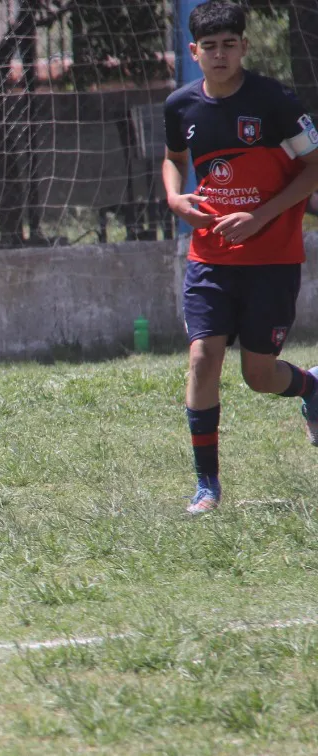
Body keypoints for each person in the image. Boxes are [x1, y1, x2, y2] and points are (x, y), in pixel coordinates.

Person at [163, 1, 318, 514]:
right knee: (203, 358)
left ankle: (310, 386)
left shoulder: (275, 103)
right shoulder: (180, 106)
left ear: (245, 47)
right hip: (209, 257)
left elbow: (313, 170)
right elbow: (173, 159)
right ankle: (207, 487)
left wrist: (259, 216)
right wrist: (174, 197)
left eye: (230, 44)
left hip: (272, 258)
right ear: (194, 52)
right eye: (210, 47)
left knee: (258, 374)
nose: (220, 54)